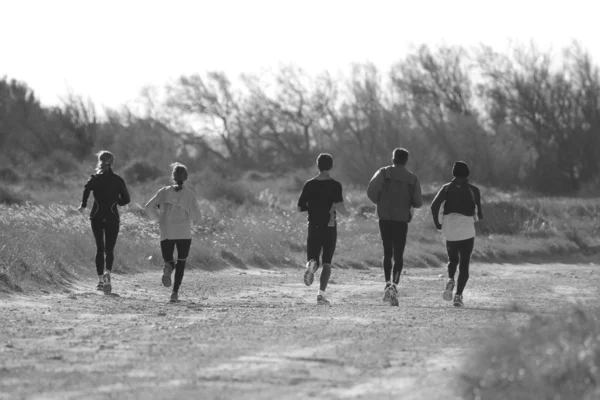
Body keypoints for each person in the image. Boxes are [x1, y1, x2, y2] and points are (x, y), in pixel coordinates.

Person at [367, 148, 423, 306]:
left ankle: (386, 282)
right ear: (406, 160)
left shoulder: (383, 172)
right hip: (401, 220)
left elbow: (370, 191)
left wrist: (380, 201)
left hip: (385, 217)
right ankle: (394, 285)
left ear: (393, 159)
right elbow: (418, 202)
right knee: (398, 254)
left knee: (387, 252)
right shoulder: (412, 178)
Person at [297, 153, 349, 306]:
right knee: (327, 262)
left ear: (317, 166)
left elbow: (300, 207)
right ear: (331, 166)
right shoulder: (335, 185)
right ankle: (321, 296)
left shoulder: (309, 184)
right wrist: (347, 214)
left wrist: (312, 207)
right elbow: (340, 207)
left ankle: (310, 266)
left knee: (312, 258)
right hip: (329, 227)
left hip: (313, 226)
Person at [430, 161, 483, 308]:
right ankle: (458, 296)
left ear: (453, 173)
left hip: (449, 229)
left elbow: (434, 206)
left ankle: (450, 279)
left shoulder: (446, 188)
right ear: (467, 174)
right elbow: (479, 214)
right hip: (466, 229)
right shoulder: (474, 190)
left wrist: (438, 224)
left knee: (452, 259)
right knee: (464, 263)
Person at [145, 163, 201, 303]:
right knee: (181, 262)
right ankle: (174, 294)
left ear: (173, 177)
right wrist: (193, 223)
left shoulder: (163, 191)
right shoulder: (190, 195)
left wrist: (158, 218)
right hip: (183, 232)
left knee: (169, 260)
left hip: (166, 231)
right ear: (186, 177)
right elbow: (197, 217)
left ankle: (168, 267)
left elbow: (148, 207)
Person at [78, 150, 130, 295]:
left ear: (99, 161)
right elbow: (127, 199)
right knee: (110, 249)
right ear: (112, 163)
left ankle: (100, 281)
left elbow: (86, 189)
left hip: (97, 216)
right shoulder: (118, 180)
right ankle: (108, 273)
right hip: (112, 216)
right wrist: (116, 201)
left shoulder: (95, 178)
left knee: (100, 248)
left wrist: (83, 205)